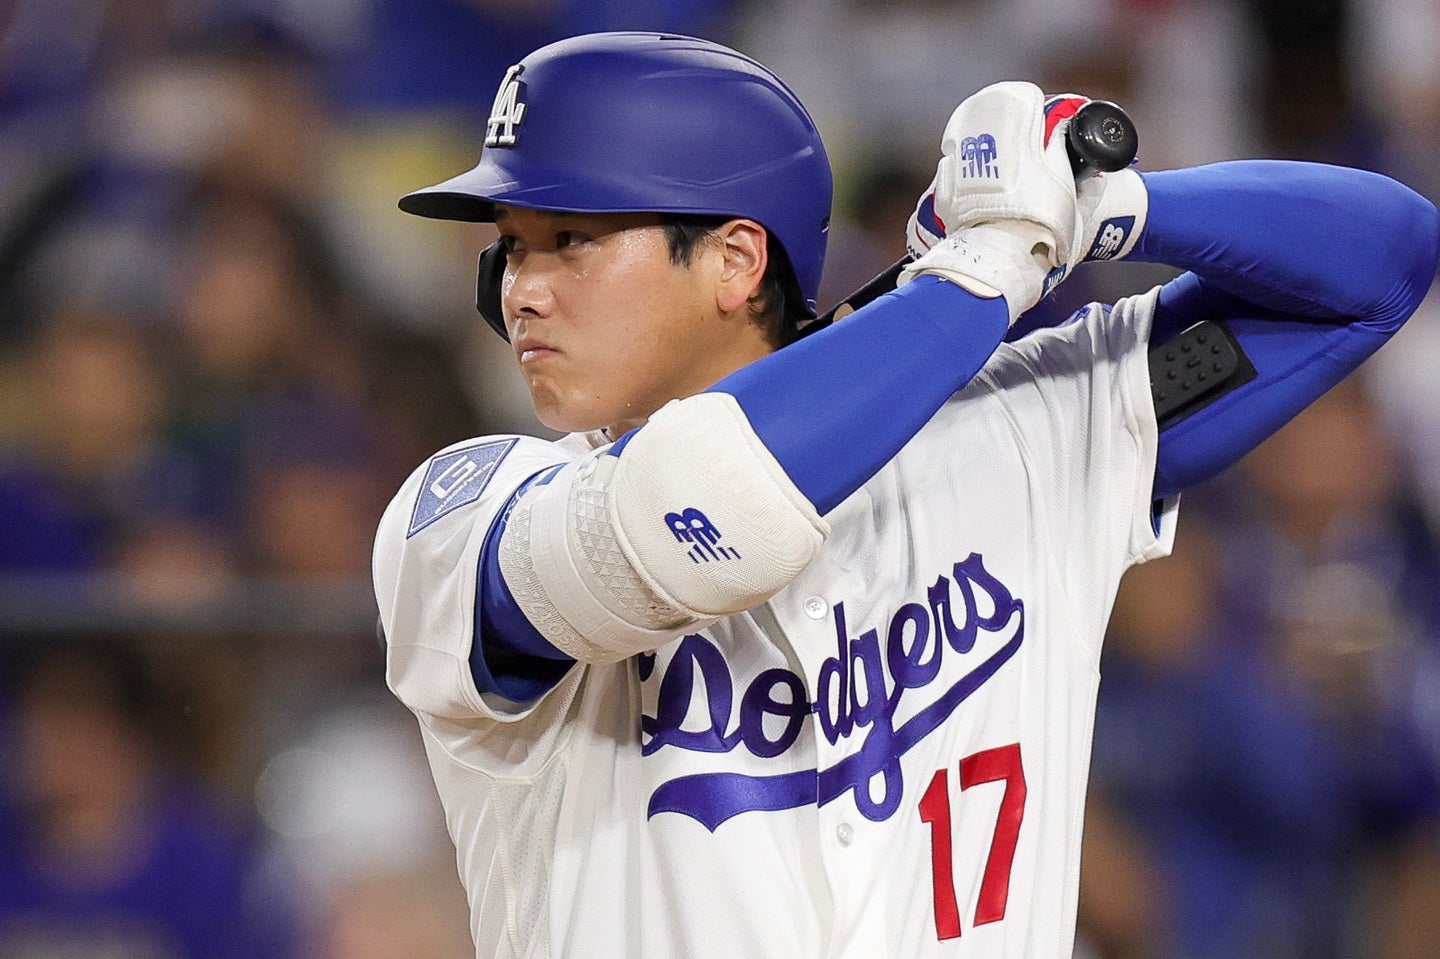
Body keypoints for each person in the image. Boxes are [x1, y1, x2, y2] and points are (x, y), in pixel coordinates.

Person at [371, 31, 1440, 958]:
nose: (521, 289)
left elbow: (1381, 264)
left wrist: (1103, 211)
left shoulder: (1013, 429)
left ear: (736, 260)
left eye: (570, 241)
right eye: (511, 248)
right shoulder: (467, 517)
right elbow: (706, 509)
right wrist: (985, 267)